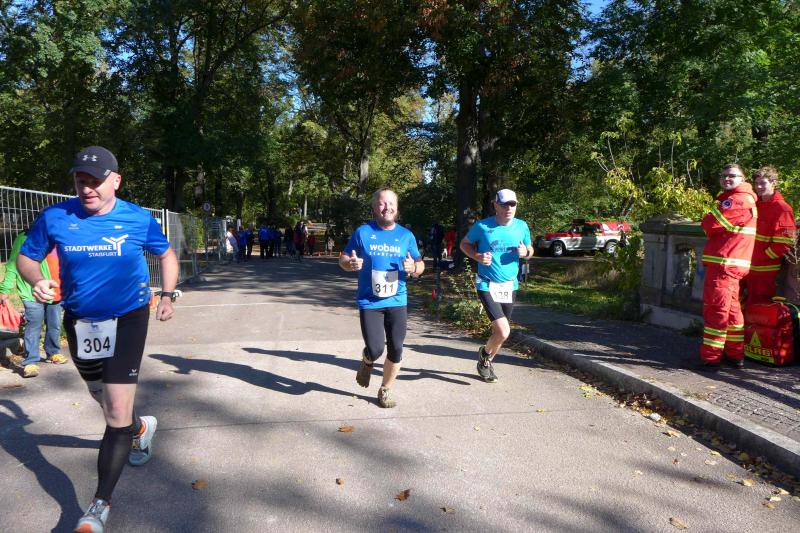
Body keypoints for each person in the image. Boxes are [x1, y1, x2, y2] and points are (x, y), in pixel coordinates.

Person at [17, 146, 179, 533]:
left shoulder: (137, 218)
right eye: (81, 181)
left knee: (114, 412)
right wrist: (37, 279)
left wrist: (167, 295)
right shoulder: (56, 216)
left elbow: (167, 255)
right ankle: (140, 429)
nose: (87, 188)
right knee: (100, 395)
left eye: (95, 181)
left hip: (128, 318)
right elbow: (27, 257)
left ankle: (97, 507)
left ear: (115, 181)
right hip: (81, 321)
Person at [340, 189, 424, 408]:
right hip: (370, 302)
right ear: (374, 208)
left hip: (397, 300)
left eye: (391, 203)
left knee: (396, 348)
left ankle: (385, 389)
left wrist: (414, 268)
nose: (387, 207)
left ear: (397, 208)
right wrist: (350, 264)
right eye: (382, 203)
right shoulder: (363, 232)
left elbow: (420, 264)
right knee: (376, 348)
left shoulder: (406, 235)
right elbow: (344, 258)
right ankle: (368, 359)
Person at [459, 189, 533, 383]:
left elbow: (530, 249)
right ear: (495, 205)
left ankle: (486, 361)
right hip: (486, 283)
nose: (509, 208)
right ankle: (485, 355)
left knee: (500, 332)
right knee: (503, 331)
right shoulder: (483, 226)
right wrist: (477, 256)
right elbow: (464, 244)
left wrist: (526, 252)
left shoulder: (521, 226)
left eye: (512, 204)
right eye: (505, 204)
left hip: (509, 285)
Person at [699, 164, 757, 370]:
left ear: (743, 178)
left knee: (716, 311)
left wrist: (709, 218)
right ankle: (735, 355)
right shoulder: (742, 198)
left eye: (732, 175)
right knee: (732, 313)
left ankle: (711, 358)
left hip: (724, 265)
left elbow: (709, 224)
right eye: (723, 175)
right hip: (730, 265)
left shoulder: (736, 200)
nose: (726, 179)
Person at [0, 230, 66, 378]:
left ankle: (53, 353)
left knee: (54, 324)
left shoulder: (60, 236)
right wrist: (5, 289)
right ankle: (31, 361)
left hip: (56, 290)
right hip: (31, 291)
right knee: (34, 326)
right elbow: (12, 264)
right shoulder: (24, 238)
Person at [742, 166, 795, 305]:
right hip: (746, 266)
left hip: (765, 271)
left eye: (763, 183)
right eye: (756, 183)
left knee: (760, 307)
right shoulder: (754, 205)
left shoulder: (782, 209)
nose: (759, 187)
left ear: (773, 183)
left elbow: (784, 243)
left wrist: (760, 257)